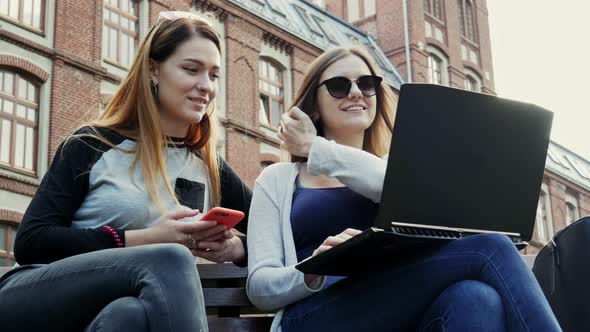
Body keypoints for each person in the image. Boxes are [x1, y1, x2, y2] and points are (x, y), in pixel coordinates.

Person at [246, 46, 561, 332]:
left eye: (367, 84)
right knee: (489, 247)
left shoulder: (393, 167)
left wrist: (318, 149)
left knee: (477, 298)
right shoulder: (277, 179)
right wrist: (313, 269)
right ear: (313, 103)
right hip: (315, 317)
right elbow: (260, 287)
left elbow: (394, 185)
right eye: (340, 86)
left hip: (402, 310)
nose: (355, 92)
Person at [0, 11, 251, 332]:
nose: (206, 86)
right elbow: (32, 241)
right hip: (34, 298)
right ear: (153, 69)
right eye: (191, 69)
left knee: (129, 315)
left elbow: (277, 229)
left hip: (111, 313)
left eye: (214, 75)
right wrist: (146, 239)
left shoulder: (209, 165)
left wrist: (237, 248)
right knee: (170, 258)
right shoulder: (90, 144)